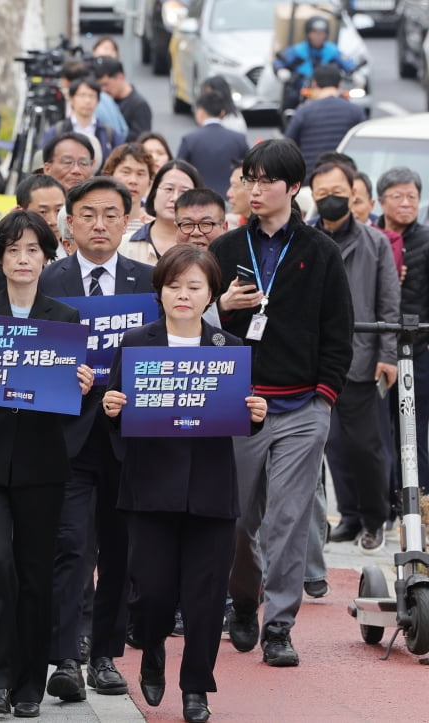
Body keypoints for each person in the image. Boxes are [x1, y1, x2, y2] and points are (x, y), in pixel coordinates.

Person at [102, 245, 268, 723]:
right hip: (150, 489)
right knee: (151, 591)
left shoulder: (231, 350)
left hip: (211, 491)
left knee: (206, 597)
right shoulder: (136, 345)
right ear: (159, 290)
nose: (183, 294)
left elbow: (240, 415)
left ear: (211, 294)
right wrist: (112, 410)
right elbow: (117, 417)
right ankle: (151, 645)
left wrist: (255, 416)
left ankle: (196, 688)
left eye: (194, 286)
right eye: (174, 285)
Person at [209, 138, 353, 668]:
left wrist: (325, 398)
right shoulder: (225, 250)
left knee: (289, 519)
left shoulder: (319, 252)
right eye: (250, 178)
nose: (256, 189)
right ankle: (244, 600)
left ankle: (280, 625)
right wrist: (222, 307)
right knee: (238, 517)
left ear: (293, 188)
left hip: (300, 408)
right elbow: (193, 327)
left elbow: (339, 330)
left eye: (267, 179)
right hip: (237, 404)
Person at [0, 209, 94, 717]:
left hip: (42, 464)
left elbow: (72, 394)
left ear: (48, 257)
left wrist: (82, 385)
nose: (23, 258)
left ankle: (30, 683)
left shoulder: (65, 318)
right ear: (0, 258)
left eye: (32, 249)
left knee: (34, 571)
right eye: (13, 249)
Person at [40, 176, 155, 704]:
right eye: (88, 214)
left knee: (120, 550)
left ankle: (105, 654)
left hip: (130, 438)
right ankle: (66, 654)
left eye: (111, 214)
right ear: (69, 221)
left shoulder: (149, 283)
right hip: (66, 435)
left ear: (128, 220)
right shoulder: (47, 281)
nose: (100, 224)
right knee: (70, 545)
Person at [303, 161, 398, 587]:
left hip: (361, 358)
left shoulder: (374, 242)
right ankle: (350, 516)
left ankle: (376, 518)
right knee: (334, 446)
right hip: (312, 358)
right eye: (321, 191)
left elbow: (388, 303)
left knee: (367, 445)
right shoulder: (303, 237)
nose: (330, 197)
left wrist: (388, 353)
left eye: (338, 189)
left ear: (353, 190)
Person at [376, 169, 429, 493]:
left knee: (413, 430)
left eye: (413, 196)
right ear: (380, 201)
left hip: (417, 352)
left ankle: (418, 501)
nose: (406, 203)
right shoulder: (371, 237)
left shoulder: (426, 240)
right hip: (377, 349)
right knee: (379, 433)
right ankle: (385, 501)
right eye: (398, 196)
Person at [284, 65, 366, 177]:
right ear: (339, 85)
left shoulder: (303, 111)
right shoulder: (355, 111)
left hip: (311, 177)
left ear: (314, 84)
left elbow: (288, 146)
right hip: (345, 178)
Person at [121, 160, 202, 264]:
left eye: (184, 191)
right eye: (169, 189)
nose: (175, 198)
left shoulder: (203, 247)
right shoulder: (124, 245)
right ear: (154, 193)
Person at [274, 15, 359, 114]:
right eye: (315, 33)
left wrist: (356, 72)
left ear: (326, 34)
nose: (318, 36)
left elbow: (347, 63)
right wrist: (281, 70)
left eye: (321, 33)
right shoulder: (298, 50)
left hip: (329, 89)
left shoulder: (332, 50)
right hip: (303, 88)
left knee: (346, 103)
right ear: (308, 33)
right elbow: (280, 61)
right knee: (289, 103)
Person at [175, 92, 247, 198]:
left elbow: (178, 170)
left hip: (199, 198)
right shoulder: (239, 138)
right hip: (231, 197)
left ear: (200, 112)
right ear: (222, 113)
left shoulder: (190, 140)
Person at [41, 77, 118, 169]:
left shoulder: (109, 133)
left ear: (98, 101)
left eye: (92, 96)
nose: (87, 101)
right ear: (71, 99)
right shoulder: (57, 131)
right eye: (82, 95)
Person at [103, 143, 155, 237]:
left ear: (150, 182)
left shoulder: (153, 228)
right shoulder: (95, 221)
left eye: (140, 174)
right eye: (126, 172)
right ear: (110, 175)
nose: (133, 181)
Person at [94, 58, 152, 140]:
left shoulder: (139, 105)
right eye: (99, 86)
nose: (103, 90)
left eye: (106, 84)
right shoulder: (105, 101)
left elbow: (141, 140)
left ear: (121, 77)